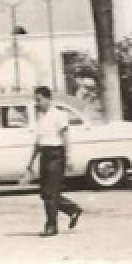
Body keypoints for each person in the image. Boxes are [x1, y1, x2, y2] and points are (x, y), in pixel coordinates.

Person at [22, 86, 82, 236]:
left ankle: (51, 226)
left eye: (39, 99)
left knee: (50, 192)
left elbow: (66, 137)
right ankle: (72, 209)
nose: (37, 103)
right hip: (44, 155)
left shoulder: (59, 115)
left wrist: (69, 158)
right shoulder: (40, 117)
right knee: (45, 193)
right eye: (36, 100)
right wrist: (31, 162)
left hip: (56, 155)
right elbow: (38, 141)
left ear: (48, 99)